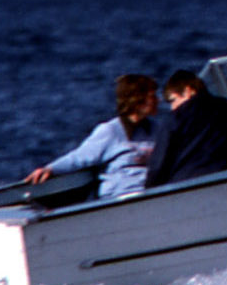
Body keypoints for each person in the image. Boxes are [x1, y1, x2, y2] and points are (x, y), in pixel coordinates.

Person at [22, 74, 164, 199]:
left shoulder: (157, 130)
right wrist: (50, 169)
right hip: (121, 196)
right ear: (137, 100)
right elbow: (79, 157)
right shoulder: (110, 131)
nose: (159, 100)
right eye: (153, 96)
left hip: (150, 193)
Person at [145, 69, 227, 188]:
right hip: (226, 181)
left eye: (173, 100)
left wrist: (149, 190)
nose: (172, 107)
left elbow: (159, 163)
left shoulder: (175, 118)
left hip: (184, 186)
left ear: (188, 91)